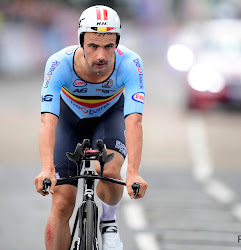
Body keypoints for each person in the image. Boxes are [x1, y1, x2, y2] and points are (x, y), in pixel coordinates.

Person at [34, 5, 148, 250]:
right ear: (80, 42)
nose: (101, 56)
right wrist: (46, 170)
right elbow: (48, 120)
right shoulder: (58, 64)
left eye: (109, 46)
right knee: (63, 202)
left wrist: (134, 173)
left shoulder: (131, 63)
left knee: (109, 171)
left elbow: (134, 121)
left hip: (109, 117)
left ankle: (109, 222)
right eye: (93, 46)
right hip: (69, 120)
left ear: (117, 43)